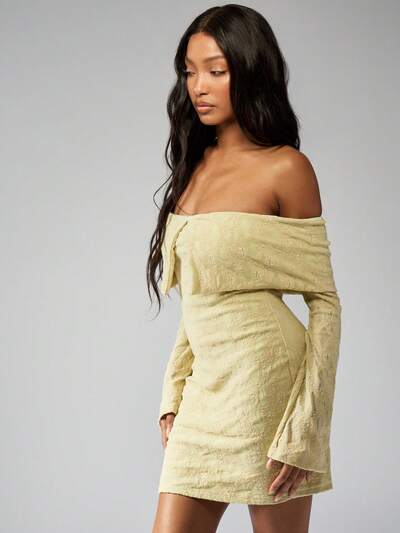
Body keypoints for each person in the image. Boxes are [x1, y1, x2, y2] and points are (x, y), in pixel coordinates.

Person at [147, 5, 342, 533]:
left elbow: (325, 302)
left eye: (216, 70)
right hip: (208, 388)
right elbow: (201, 296)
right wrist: (173, 390)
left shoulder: (286, 168)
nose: (198, 86)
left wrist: (306, 425)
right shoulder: (195, 164)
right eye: (189, 71)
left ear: (252, 70)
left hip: (268, 386)